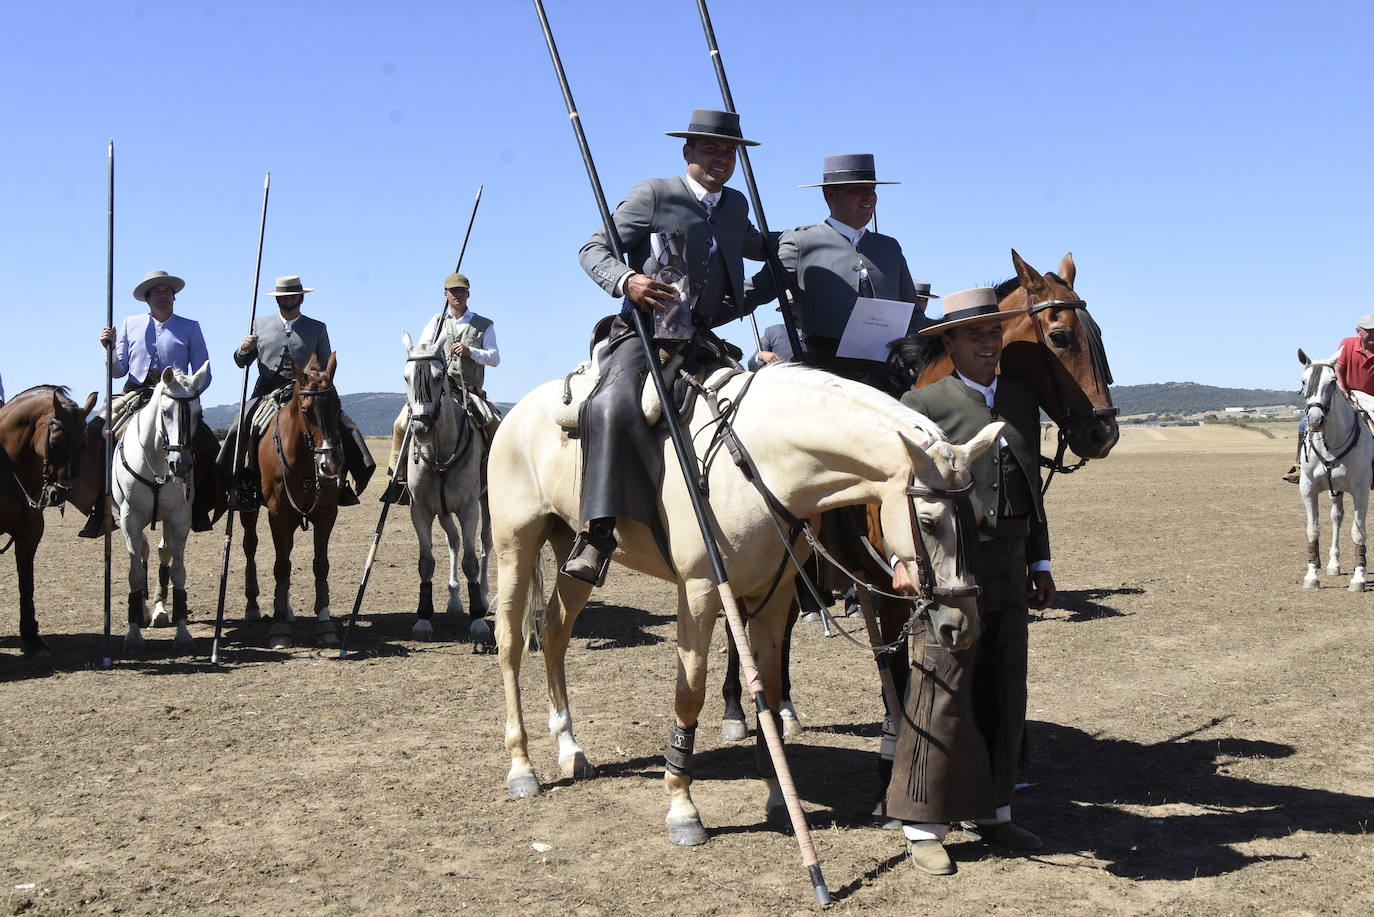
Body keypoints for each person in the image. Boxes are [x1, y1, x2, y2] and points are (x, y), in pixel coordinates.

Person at [561, 108, 769, 584]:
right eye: (712, 149)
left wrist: (815, 246)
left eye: (729, 150)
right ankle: (597, 533)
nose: (722, 158)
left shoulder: (735, 205)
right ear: (688, 152)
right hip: (645, 333)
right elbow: (593, 249)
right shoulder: (654, 194)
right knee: (613, 406)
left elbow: (764, 249)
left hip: (701, 337)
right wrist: (627, 279)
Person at [890, 287, 1056, 875]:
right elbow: (901, 495)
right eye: (974, 334)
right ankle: (921, 823)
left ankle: (995, 811)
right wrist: (905, 559)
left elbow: (1031, 489)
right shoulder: (923, 402)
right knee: (941, 687)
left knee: (1006, 689)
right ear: (950, 343)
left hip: (1013, 565)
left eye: (994, 333)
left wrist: (1040, 562)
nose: (988, 343)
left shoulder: (1019, 397)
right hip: (952, 567)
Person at [744, 153, 936, 394]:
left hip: (886, 382)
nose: (869, 197)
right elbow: (754, 292)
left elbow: (913, 314)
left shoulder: (889, 247)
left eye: (872, 189)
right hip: (826, 383)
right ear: (830, 195)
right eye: (857, 189)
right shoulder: (802, 243)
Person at [70, 270, 221, 537]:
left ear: (174, 298)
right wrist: (108, 348)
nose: (164, 296)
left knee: (207, 442)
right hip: (135, 394)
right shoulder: (131, 323)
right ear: (147, 298)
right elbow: (118, 370)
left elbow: (204, 372)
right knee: (95, 433)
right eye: (157, 292)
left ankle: (197, 505)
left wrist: (189, 391)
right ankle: (100, 506)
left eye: (168, 292)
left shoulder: (190, 327)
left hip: (175, 397)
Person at [216, 276, 374, 506]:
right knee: (239, 425)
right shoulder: (259, 325)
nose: (289, 299)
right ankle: (240, 483)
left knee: (340, 422)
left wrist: (312, 382)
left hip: (307, 389)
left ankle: (343, 479)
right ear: (278, 299)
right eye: (284, 296)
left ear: (301, 298)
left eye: (293, 295)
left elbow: (324, 364)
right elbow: (242, 361)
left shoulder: (317, 328)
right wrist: (243, 348)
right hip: (267, 390)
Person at [381, 271, 501, 504]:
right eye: (453, 291)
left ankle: (496, 474)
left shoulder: (483, 324)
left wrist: (471, 352)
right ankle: (399, 477)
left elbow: (495, 358)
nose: (457, 295)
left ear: (468, 293)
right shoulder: (436, 322)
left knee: (494, 424)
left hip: (470, 392)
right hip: (437, 391)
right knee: (400, 424)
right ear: (445, 294)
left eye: (461, 290)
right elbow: (422, 350)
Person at [1283, 315, 1374, 482]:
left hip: (1370, 398)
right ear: (1358, 331)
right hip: (1344, 393)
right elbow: (1338, 369)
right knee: (1304, 423)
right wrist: (1343, 389)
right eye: (1369, 330)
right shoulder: (1347, 344)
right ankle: (1299, 466)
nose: (1372, 333)